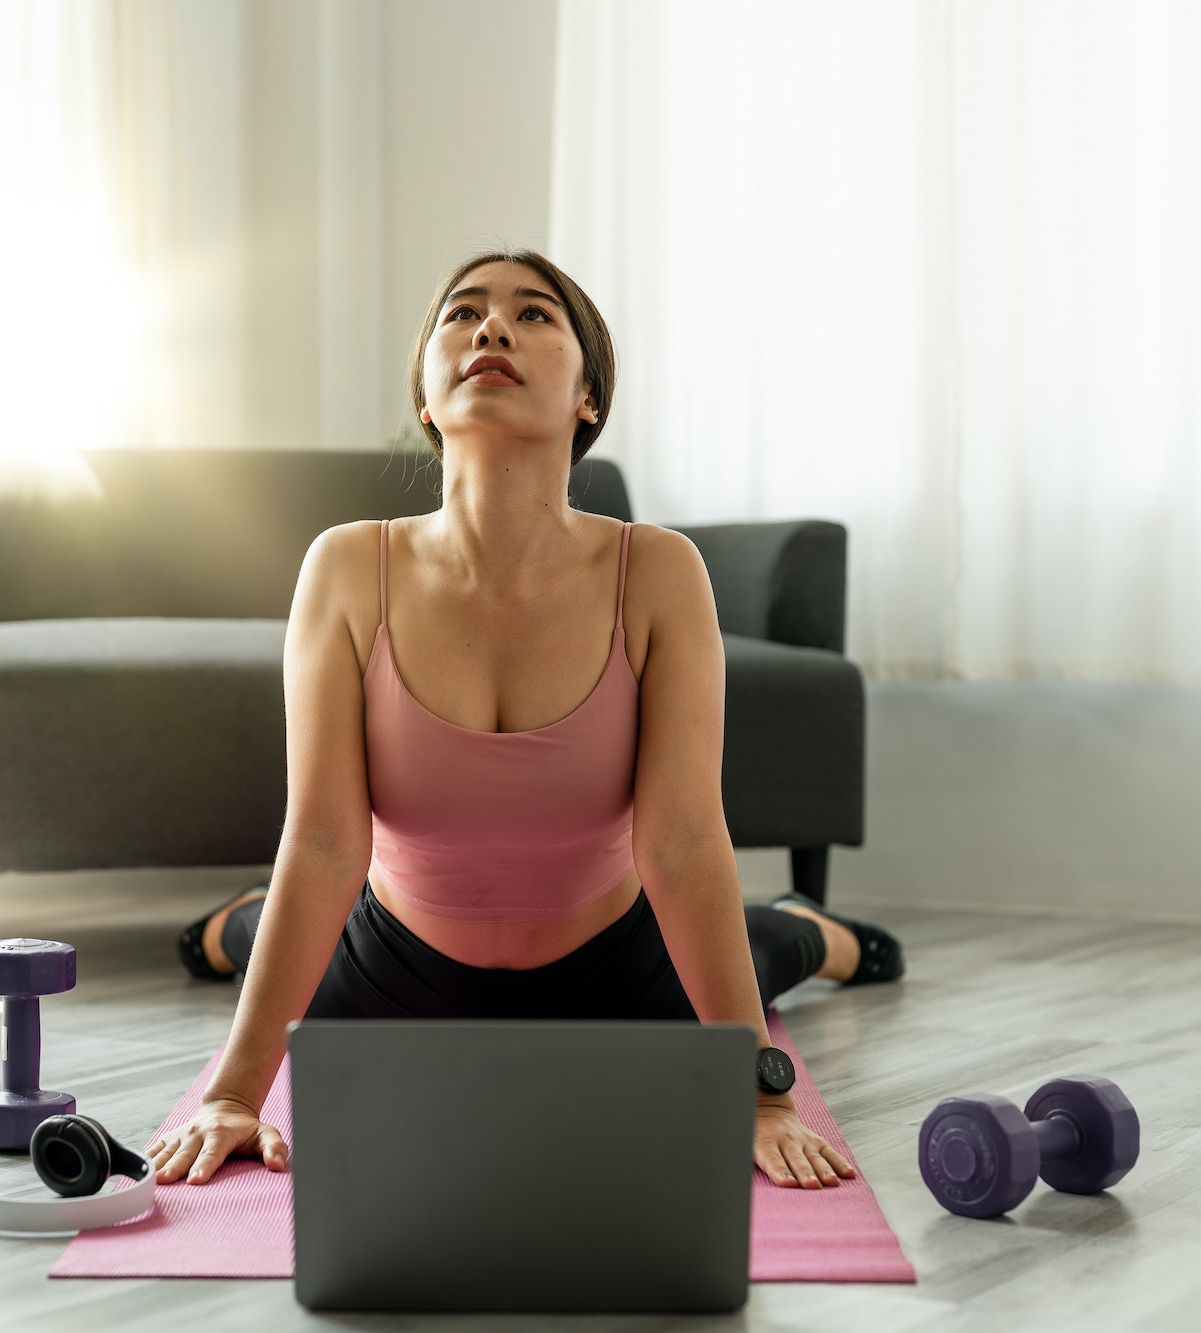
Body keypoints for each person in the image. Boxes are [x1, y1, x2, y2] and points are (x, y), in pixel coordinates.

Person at [155, 249, 903, 1193]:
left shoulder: (660, 573)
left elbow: (679, 844)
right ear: (426, 397)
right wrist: (232, 1091)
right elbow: (322, 845)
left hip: (611, 960)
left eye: (535, 315)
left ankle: (815, 924)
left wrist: (762, 1096)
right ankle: (233, 926)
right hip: (398, 968)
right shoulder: (346, 568)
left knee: (759, 951)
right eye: (461, 313)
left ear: (590, 398)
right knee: (284, 928)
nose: (492, 328)